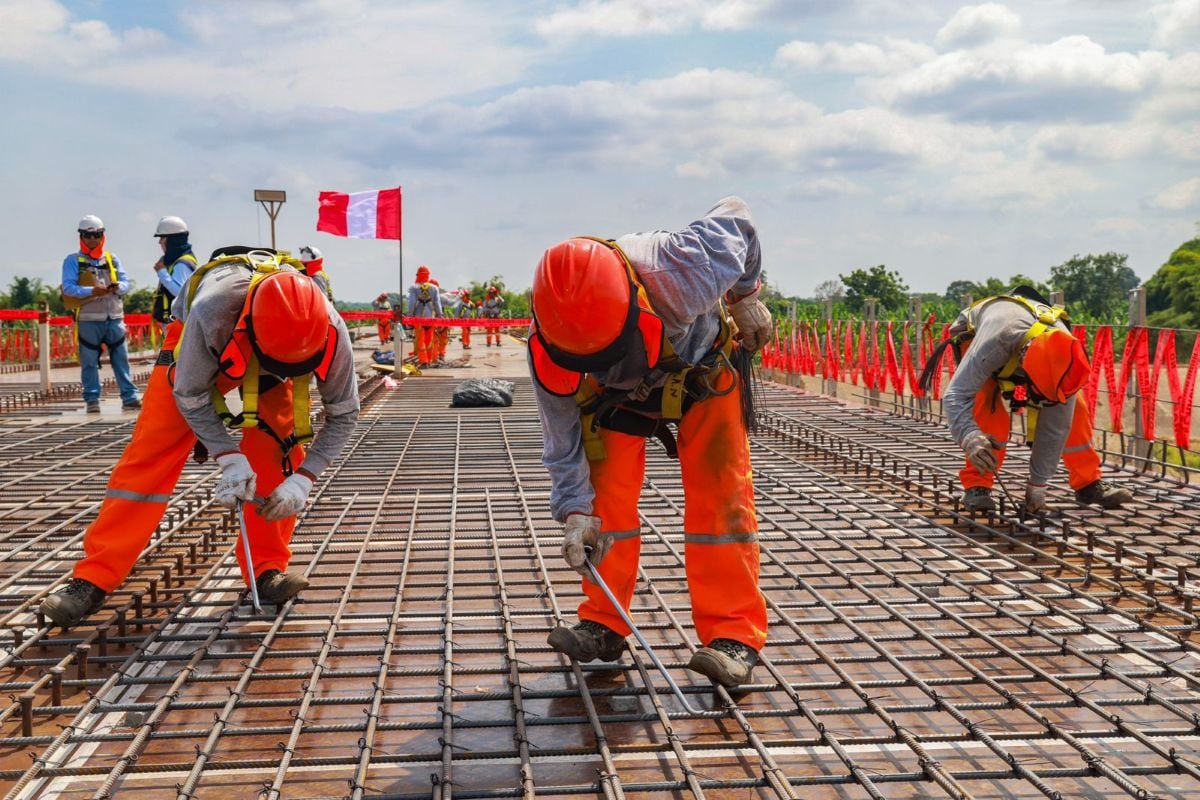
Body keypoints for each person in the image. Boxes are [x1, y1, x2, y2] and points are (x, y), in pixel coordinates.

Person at [39, 248, 360, 629]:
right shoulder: (212, 310)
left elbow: (344, 414)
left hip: (273, 358)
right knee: (151, 454)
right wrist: (227, 455)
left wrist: (304, 479)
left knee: (277, 450)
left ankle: (267, 570)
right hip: (198, 347)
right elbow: (190, 396)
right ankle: (93, 578)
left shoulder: (329, 328)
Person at [528, 197, 774, 688]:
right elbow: (563, 445)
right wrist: (575, 514)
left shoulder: (681, 269)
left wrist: (744, 295)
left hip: (702, 371)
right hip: (616, 402)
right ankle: (603, 623)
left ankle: (733, 636)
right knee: (604, 498)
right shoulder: (550, 347)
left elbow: (738, 214)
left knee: (721, 500)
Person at [930, 289, 1133, 513]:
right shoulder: (995, 343)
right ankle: (978, 486)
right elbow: (955, 395)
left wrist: (1037, 486)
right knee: (986, 405)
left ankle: (1088, 484)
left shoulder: (1064, 360)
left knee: (1076, 412)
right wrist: (969, 437)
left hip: (1025, 339)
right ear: (1024, 368)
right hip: (979, 332)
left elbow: (1055, 429)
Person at [61, 215, 141, 413]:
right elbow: (68, 288)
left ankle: (129, 398)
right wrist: (91, 291)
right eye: (88, 235)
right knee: (89, 363)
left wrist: (117, 287)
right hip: (89, 319)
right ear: (81, 236)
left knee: (121, 360)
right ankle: (92, 399)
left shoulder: (112, 259)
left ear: (102, 236)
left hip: (114, 317)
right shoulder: (73, 261)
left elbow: (126, 283)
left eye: (96, 235)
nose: (92, 240)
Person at [151, 216, 199, 338]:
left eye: (162, 237)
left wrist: (162, 272)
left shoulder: (182, 264)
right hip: (174, 323)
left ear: (172, 240)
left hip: (177, 324)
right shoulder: (177, 261)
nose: (160, 242)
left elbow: (179, 292)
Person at [406, 265, 442, 367]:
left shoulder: (414, 288)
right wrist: (440, 316)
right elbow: (437, 304)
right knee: (429, 340)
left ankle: (424, 361)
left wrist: (409, 316)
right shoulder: (434, 288)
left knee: (421, 341)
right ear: (428, 275)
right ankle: (429, 360)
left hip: (419, 319)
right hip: (431, 319)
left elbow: (412, 303)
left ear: (418, 275)